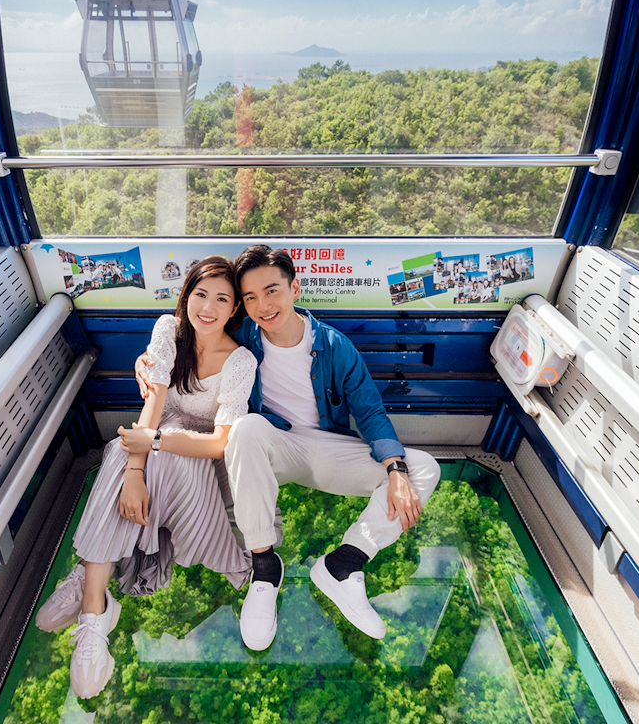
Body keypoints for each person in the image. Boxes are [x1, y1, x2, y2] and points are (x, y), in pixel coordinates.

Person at [135, 245, 440, 651]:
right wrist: (148, 360)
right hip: (272, 449)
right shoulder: (243, 337)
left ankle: (342, 566)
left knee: (424, 468)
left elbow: (370, 413)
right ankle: (264, 569)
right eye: (250, 298)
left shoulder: (334, 346)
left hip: (328, 450)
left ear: (295, 287)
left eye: (272, 290)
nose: (263, 305)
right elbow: (193, 335)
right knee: (245, 429)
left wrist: (396, 471)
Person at [35, 256, 257, 698]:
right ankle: (95, 611)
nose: (207, 308)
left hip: (200, 458)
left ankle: (90, 573)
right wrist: (136, 465)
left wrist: (149, 445)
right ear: (186, 295)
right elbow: (153, 404)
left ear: (234, 309)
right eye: (200, 295)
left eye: (221, 299)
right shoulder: (167, 330)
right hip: (157, 440)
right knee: (121, 449)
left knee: (129, 446)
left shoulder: (240, 361)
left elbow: (218, 444)